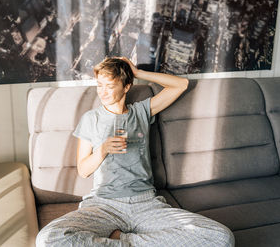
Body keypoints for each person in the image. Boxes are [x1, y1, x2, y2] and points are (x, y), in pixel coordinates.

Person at [36, 57, 234, 247]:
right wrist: (103, 149)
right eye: (99, 85)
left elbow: (180, 84)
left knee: (221, 237)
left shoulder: (141, 111)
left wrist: (138, 72)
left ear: (126, 87)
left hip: (146, 203)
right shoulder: (90, 119)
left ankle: (124, 241)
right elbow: (83, 170)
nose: (102, 92)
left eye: (110, 86)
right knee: (48, 239)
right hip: (104, 205)